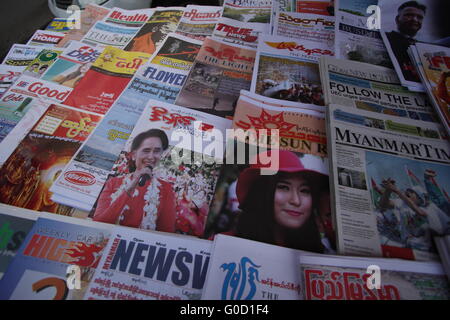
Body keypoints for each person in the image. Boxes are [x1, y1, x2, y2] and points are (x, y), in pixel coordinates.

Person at [235, 150, 326, 252]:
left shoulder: (319, 252)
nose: (296, 201)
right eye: (283, 187)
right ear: (261, 193)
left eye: (304, 190)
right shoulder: (225, 245)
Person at [93, 129, 176, 232]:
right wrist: (129, 189)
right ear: (133, 155)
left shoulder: (166, 189)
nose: (151, 157)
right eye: (146, 151)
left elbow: (166, 232)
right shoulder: (113, 183)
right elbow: (99, 222)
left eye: (156, 151)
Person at [385, 1, 426, 82]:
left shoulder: (423, 47)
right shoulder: (385, 37)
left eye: (419, 17)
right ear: (397, 19)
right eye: (409, 15)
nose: (415, 19)